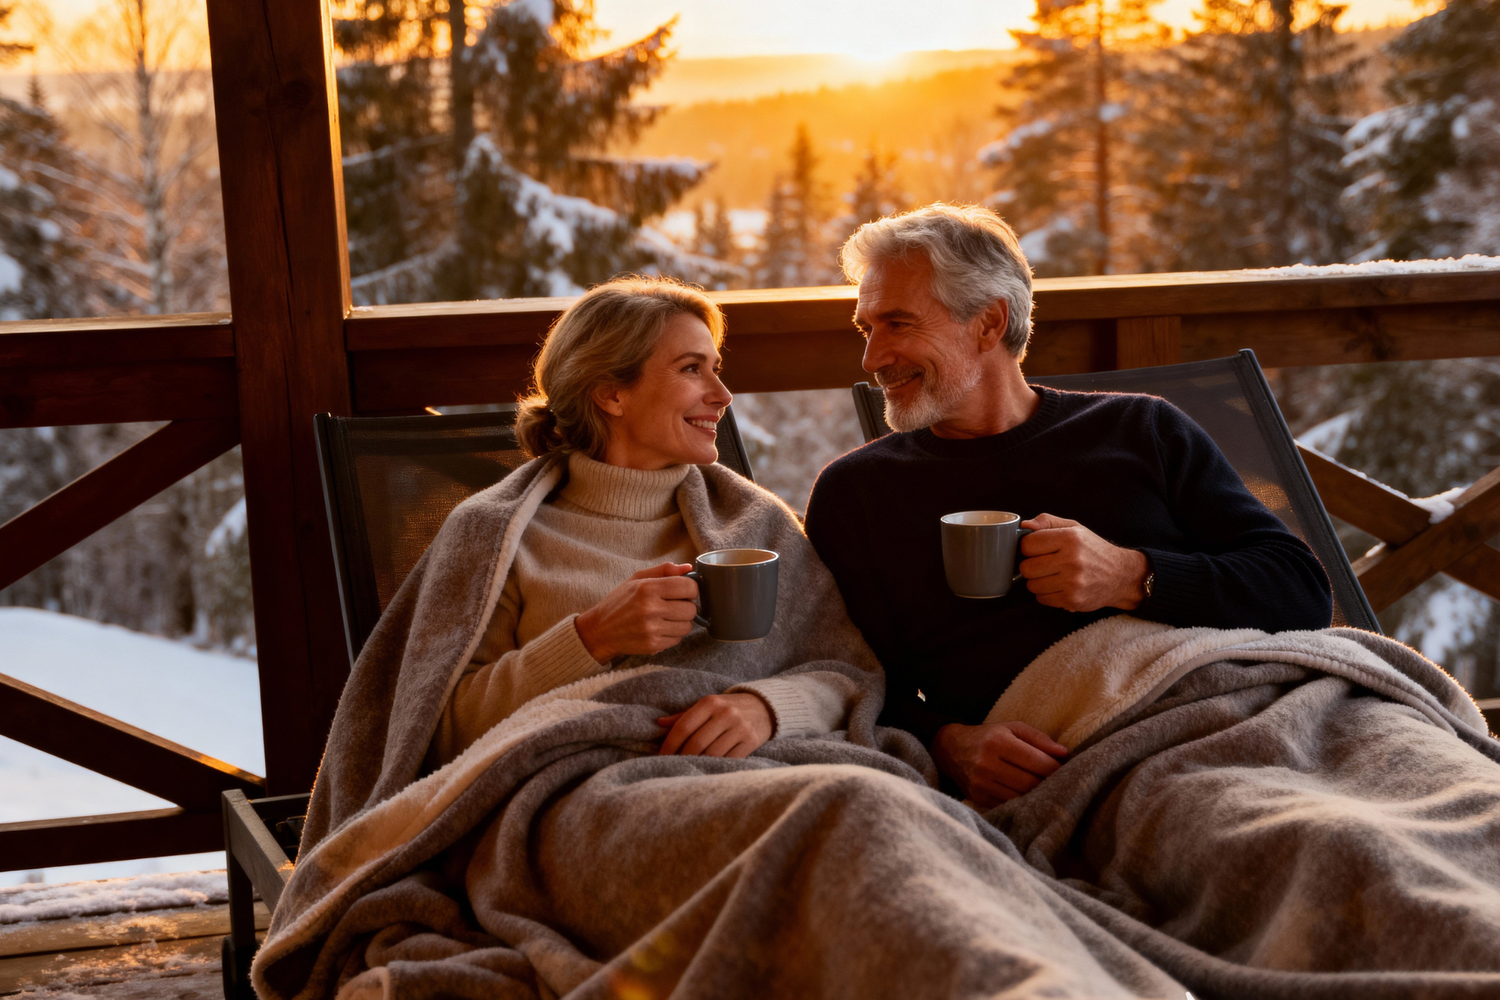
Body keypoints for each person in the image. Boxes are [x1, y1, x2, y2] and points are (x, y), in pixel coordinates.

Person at [804, 204, 1335, 808]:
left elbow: (1302, 592)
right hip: (1092, 765)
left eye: (897, 324)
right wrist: (950, 744)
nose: (872, 358)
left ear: (988, 323)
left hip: (1250, 705)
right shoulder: (859, 493)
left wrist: (1132, 576)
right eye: (865, 329)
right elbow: (854, 676)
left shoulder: (1140, 430)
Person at [427, 276, 864, 768]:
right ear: (611, 394)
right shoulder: (497, 536)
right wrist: (592, 637)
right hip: (579, 786)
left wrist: (768, 709)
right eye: (691, 369)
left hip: (749, 771)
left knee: (869, 806)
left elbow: (848, 670)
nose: (723, 394)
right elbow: (438, 733)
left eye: (716, 369)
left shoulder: (755, 521)